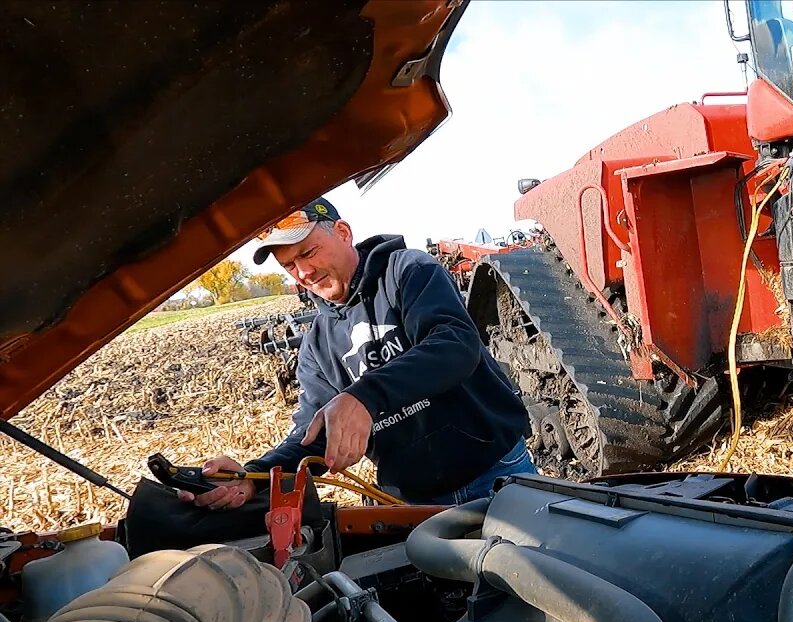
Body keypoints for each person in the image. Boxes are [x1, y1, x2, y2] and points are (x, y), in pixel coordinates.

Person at [180, 197, 533, 509]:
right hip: (413, 503)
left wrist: (363, 397)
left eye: (308, 252)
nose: (303, 272)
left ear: (343, 233)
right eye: (289, 265)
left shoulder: (408, 271)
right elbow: (314, 435)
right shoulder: (317, 344)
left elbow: (454, 344)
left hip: (496, 475)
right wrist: (252, 477)